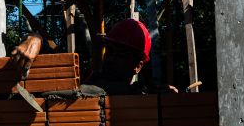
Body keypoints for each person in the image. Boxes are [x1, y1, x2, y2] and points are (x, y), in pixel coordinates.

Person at [10, 18, 176, 95]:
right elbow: (55, 56)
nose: (110, 58)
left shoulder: (143, 99)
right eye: (110, 50)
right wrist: (34, 40)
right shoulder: (84, 78)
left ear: (138, 66)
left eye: (120, 54)